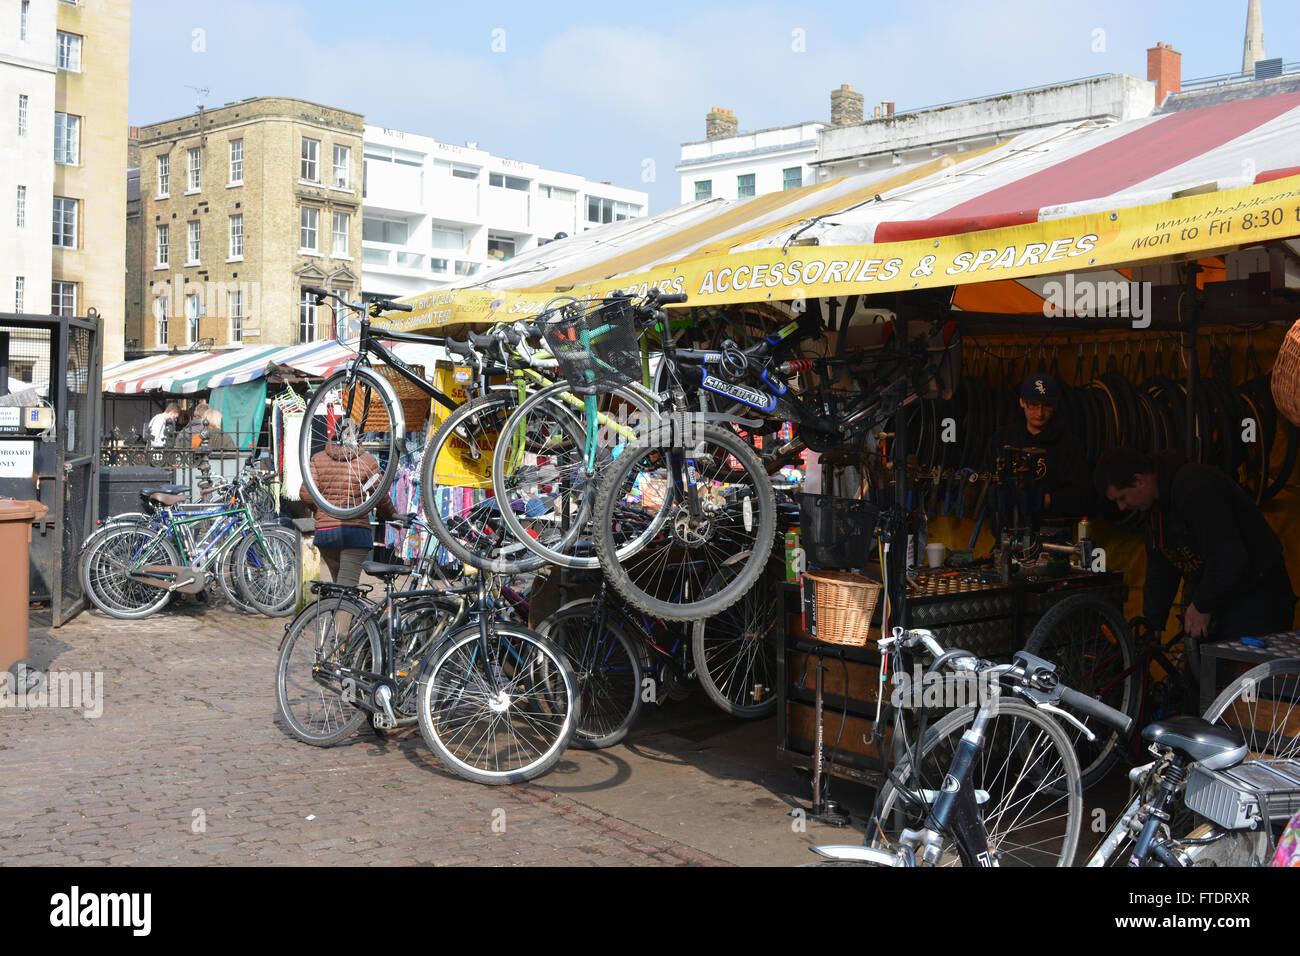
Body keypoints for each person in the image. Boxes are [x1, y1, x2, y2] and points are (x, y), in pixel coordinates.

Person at [1094, 446, 1296, 643]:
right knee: (1200, 670)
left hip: (1258, 594)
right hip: (1222, 595)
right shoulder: (1155, 509)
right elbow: (1161, 564)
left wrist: (1201, 605)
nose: (1121, 507)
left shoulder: (1194, 487)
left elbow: (1229, 556)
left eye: (1122, 497)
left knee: (1239, 673)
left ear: (1139, 480)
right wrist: (1153, 622)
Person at [298, 418, 397, 587]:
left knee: (339, 587)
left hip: (326, 533)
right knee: (347, 590)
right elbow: (379, 494)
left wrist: (323, 511)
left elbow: (306, 494)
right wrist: (392, 516)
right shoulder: (367, 460)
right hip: (355, 532)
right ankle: (342, 613)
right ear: (357, 434)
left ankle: (337, 610)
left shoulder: (318, 459)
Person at [983, 372, 1091, 519]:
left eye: (1047, 406)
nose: (1040, 413)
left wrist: (1041, 501)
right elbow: (987, 478)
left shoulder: (1068, 444)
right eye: (1033, 405)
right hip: (1007, 525)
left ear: (1056, 405)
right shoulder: (1002, 439)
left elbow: (1080, 495)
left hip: (1052, 527)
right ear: (1022, 402)